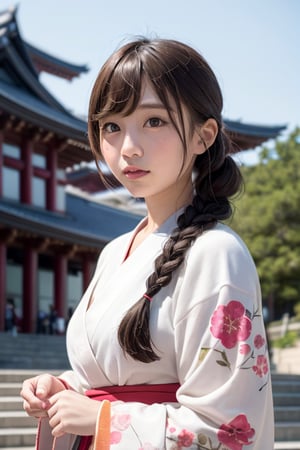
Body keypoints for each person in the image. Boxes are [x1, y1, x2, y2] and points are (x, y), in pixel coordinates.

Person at [21, 38, 274, 449]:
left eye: (154, 121)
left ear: (203, 136)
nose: (128, 148)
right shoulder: (113, 251)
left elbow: (229, 430)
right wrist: (62, 387)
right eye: (112, 127)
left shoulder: (216, 253)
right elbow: (107, 377)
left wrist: (103, 418)